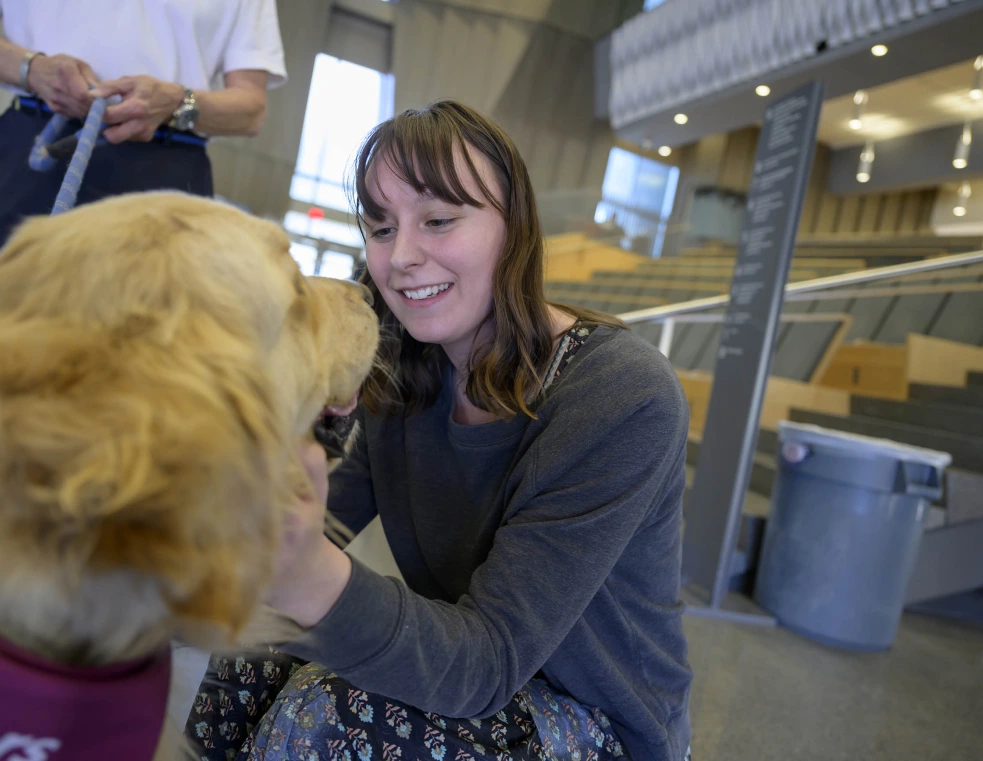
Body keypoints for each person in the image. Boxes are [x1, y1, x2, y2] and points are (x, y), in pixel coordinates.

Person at [187, 100, 693, 761]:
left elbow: (488, 659)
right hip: (472, 664)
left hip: (597, 718)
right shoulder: (401, 363)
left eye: (439, 220)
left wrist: (305, 573)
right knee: (254, 640)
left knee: (333, 712)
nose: (400, 257)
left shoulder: (621, 392)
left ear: (514, 228)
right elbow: (296, 523)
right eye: (381, 225)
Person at [0, 0, 287, 291]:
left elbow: (251, 108)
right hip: (36, 152)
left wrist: (177, 103)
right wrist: (31, 69)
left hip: (165, 174)